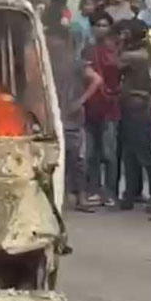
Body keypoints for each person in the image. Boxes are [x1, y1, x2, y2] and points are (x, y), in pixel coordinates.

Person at [46, 21, 103, 210]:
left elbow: (96, 80)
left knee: (76, 160)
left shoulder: (76, 63)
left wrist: (80, 101)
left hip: (70, 118)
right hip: (52, 117)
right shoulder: (44, 63)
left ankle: (81, 196)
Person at [118, 19, 151, 210]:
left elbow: (115, 64)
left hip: (135, 103)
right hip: (140, 104)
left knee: (138, 152)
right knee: (136, 151)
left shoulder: (133, 55)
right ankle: (139, 193)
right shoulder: (147, 53)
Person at [83, 12, 120, 206]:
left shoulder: (115, 51)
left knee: (109, 153)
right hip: (90, 107)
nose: (100, 28)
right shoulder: (87, 50)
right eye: (97, 25)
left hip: (110, 108)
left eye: (104, 25)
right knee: (91, 153)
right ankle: (93, 189)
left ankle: (111, 192)